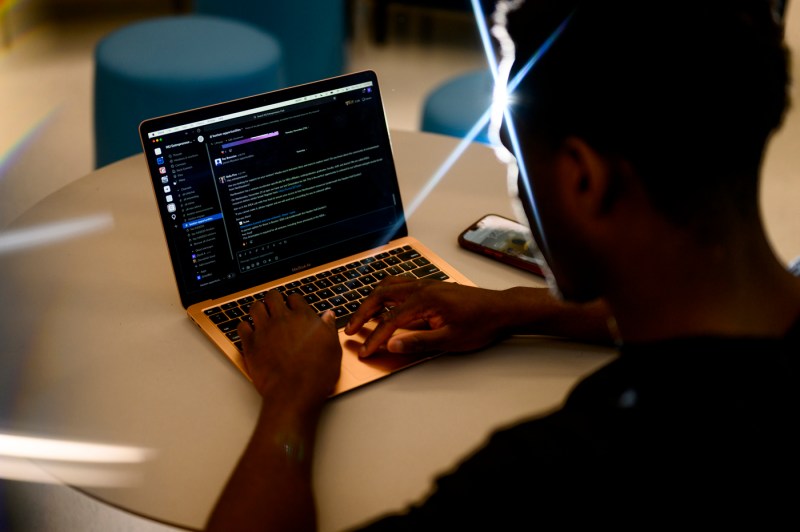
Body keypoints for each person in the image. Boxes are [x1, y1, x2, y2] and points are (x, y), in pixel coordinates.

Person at [205, 0, 799, 529]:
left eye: (515, 160)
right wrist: (510, 308)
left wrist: (291, 397)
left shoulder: (552, 479)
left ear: (582, 180)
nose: (516, 188)